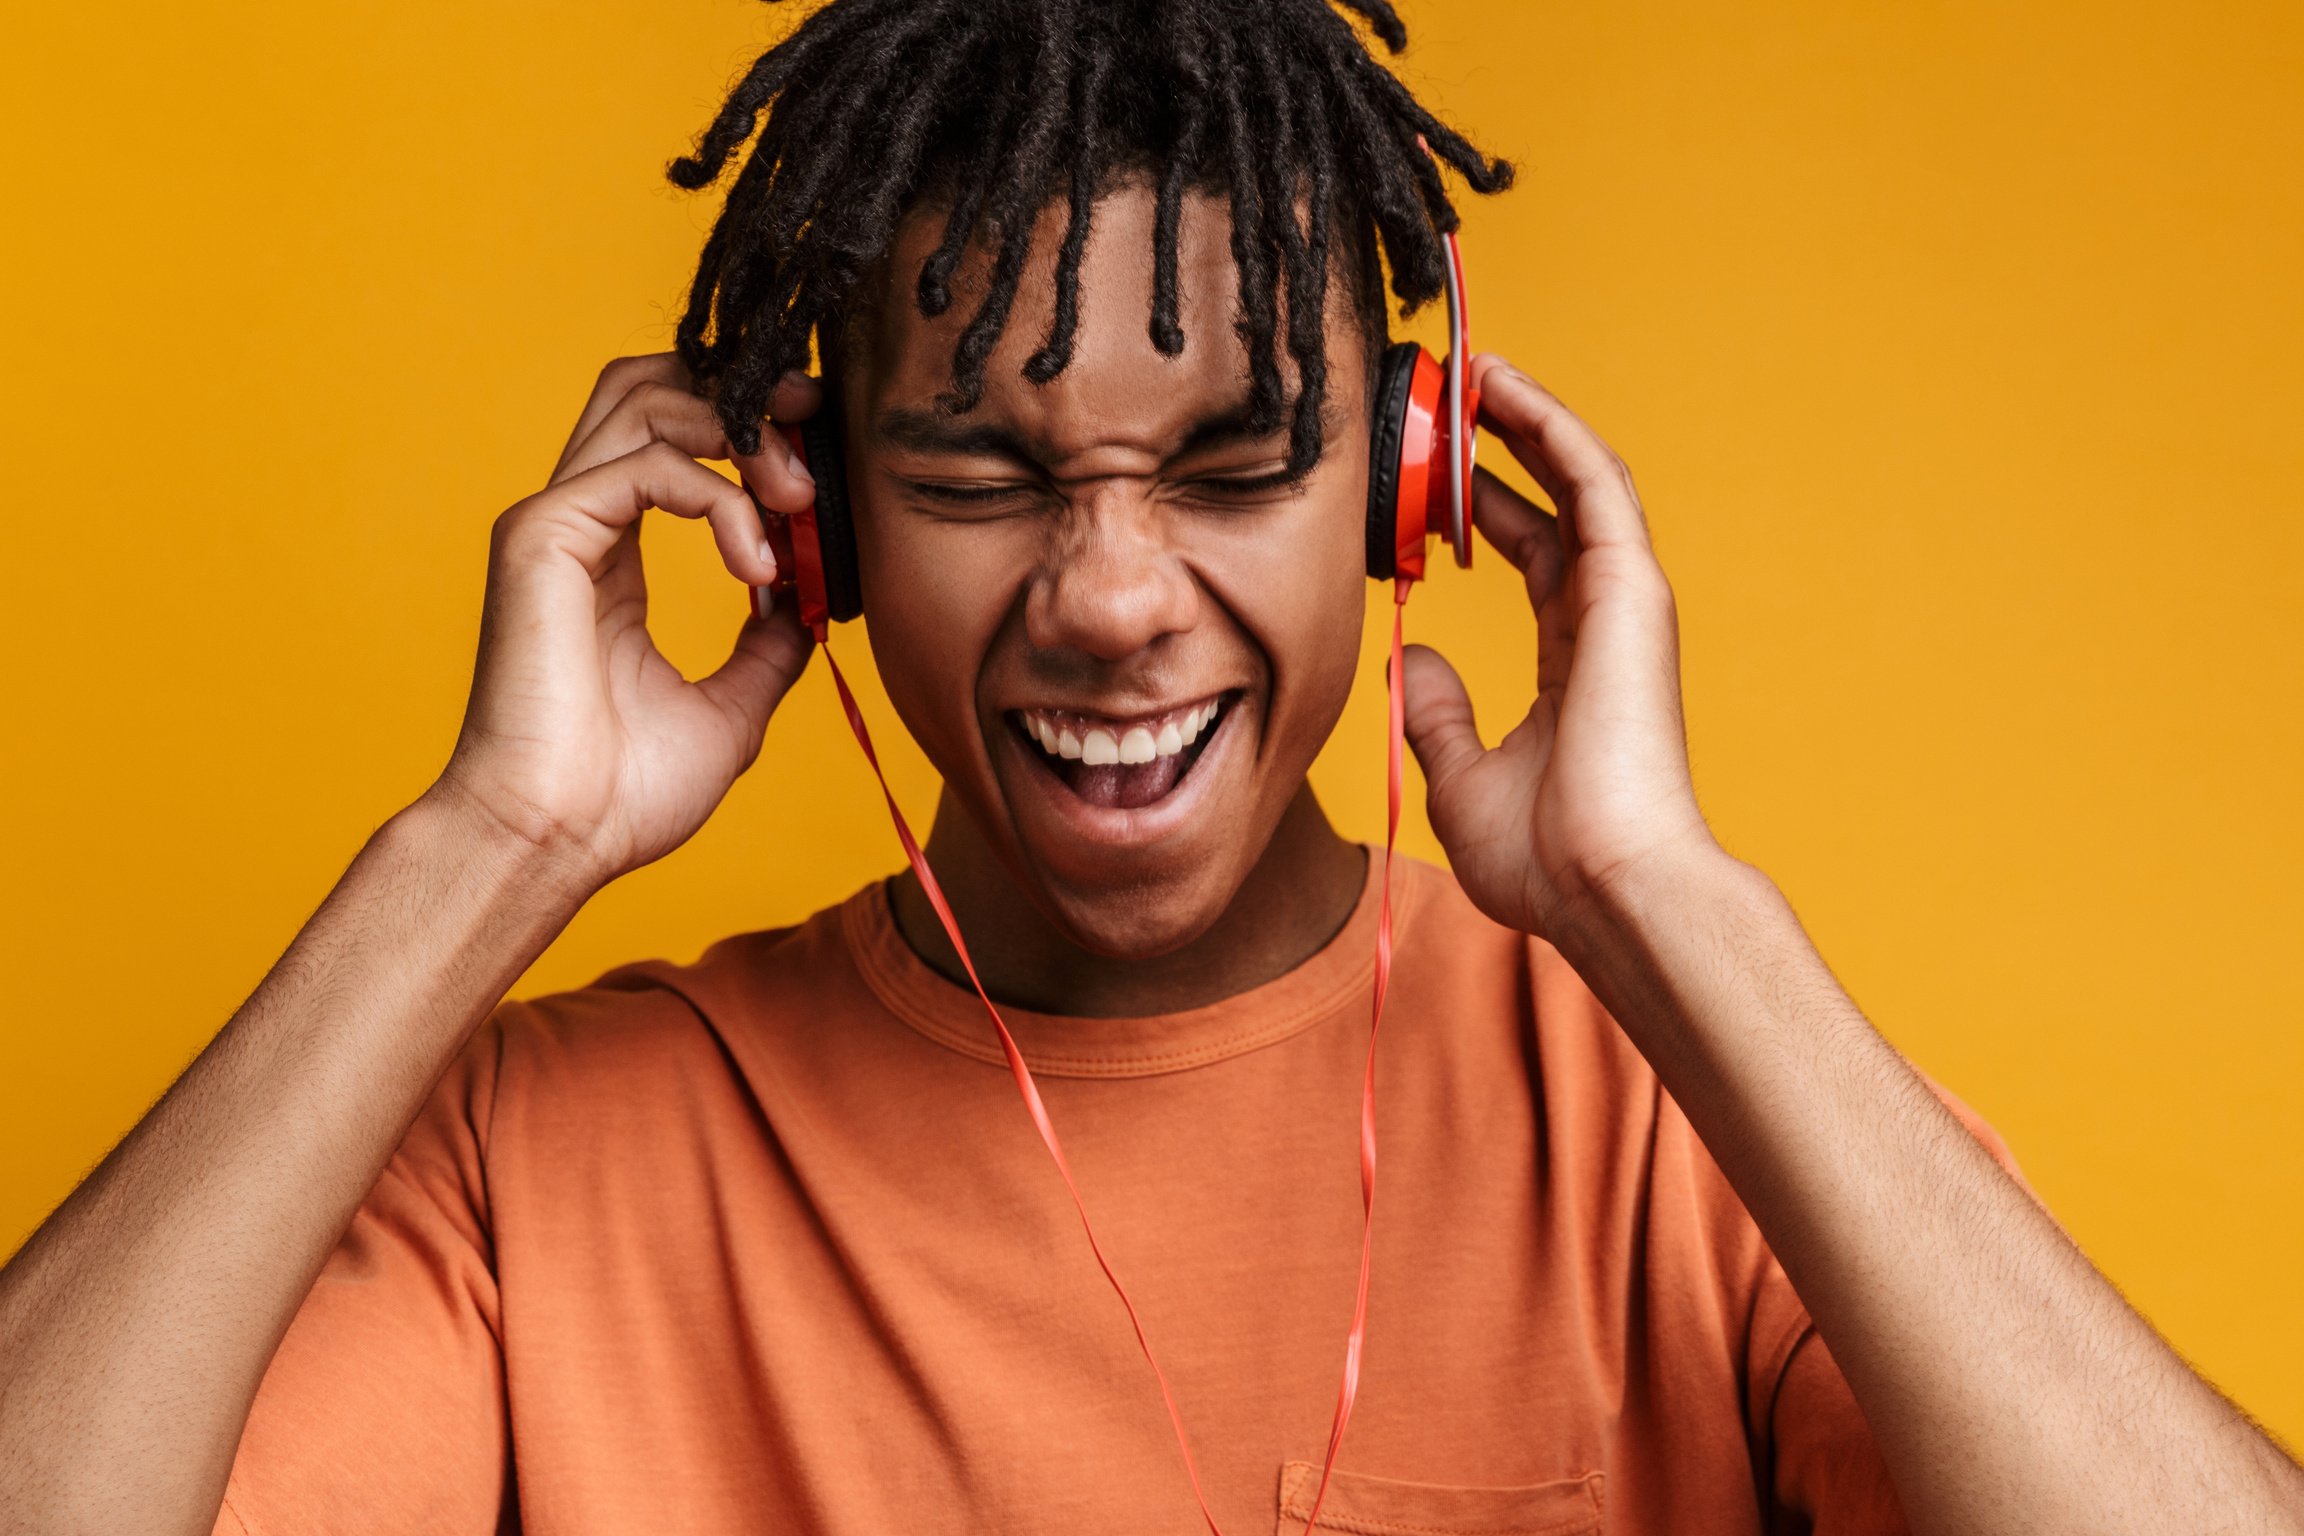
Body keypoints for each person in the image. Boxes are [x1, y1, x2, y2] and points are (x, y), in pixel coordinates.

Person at [2, 1, 2298, 1532]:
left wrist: (1663, 903)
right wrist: (485, 846)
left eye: (1233, 465)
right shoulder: (540, 1161)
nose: (1111, 594)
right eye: (984, 471)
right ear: (819, 517)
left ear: (1413, 485)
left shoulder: (1701, 1112)